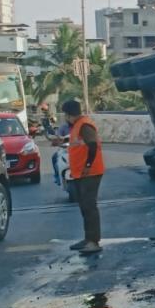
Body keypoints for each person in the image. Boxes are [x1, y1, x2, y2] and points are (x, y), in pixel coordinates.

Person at [52, 100, 105, 255]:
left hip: (90, 173)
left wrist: (88, 166)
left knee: (89, 206)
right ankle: (88, 239)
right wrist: (61, 142)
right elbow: (77, 143)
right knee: (84, 206)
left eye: (65, 115)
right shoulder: (77, 126)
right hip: (81, 173)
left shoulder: (85, 125)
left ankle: (94, 241)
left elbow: (93, 145)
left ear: (68, 115)